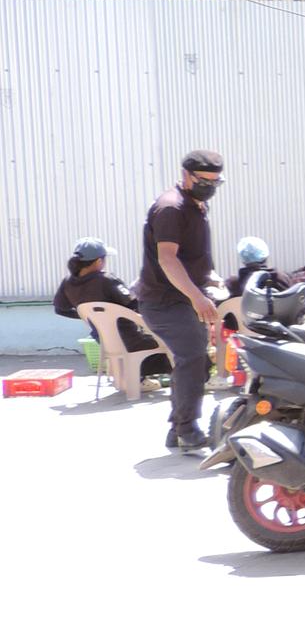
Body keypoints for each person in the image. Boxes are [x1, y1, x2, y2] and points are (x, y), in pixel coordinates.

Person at [136, 150, 227, 452]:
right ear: (186, 175)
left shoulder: (196, 205)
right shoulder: (171, 208)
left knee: (197, 359)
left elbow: (192, 254)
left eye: (215, 182)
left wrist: (209, 278)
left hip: (184, 297)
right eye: (203, 181)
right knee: (192, 357)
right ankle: (187, 430)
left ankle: (177, 429)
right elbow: (168, 259)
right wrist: (197, 297)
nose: (209, 187)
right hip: (164, 301)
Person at [53, 238, 169, 375]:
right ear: (98, 261)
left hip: (104, 341)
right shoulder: (106, 279)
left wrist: (89, 317)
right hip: (132, 340)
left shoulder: (67, 282)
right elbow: (134, 305)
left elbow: (60, 309)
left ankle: (133, 378)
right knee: (172, 344)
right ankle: (146, 378)